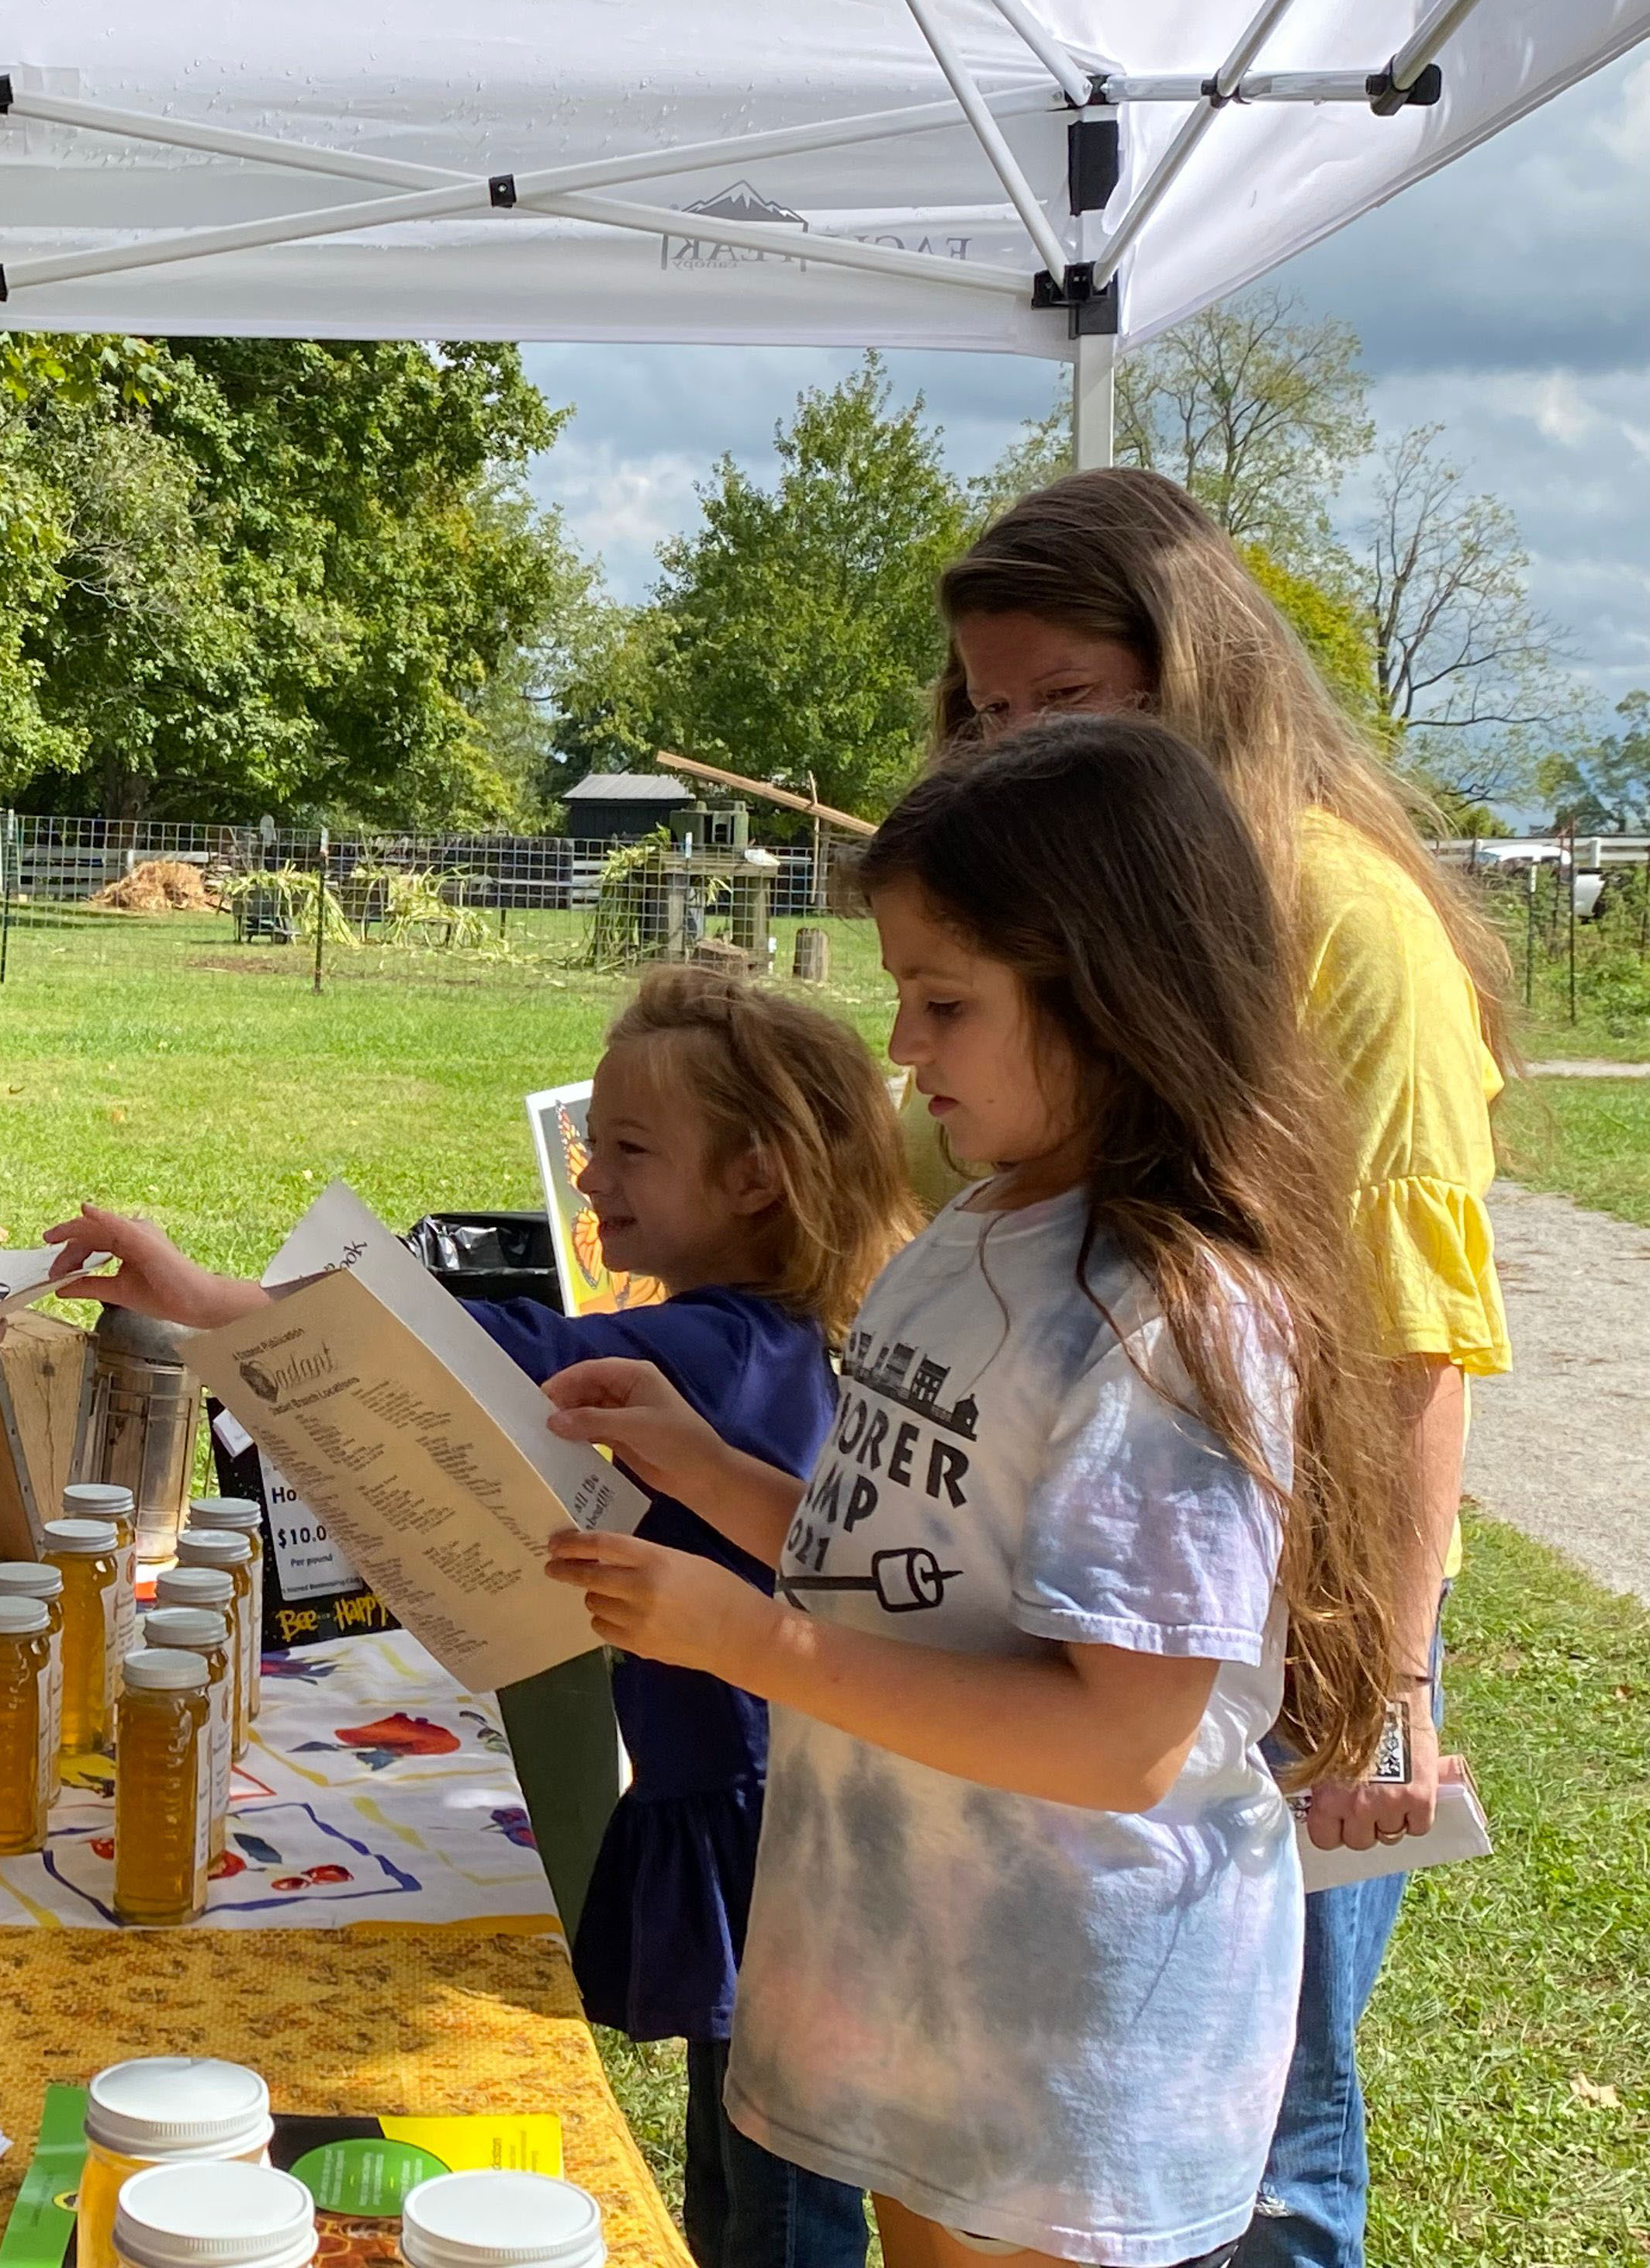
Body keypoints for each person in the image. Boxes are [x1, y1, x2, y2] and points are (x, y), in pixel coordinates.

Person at [544, 717, 1417, 2268]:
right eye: (902, 997)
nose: (902, 1048)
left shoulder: (1171, 1323)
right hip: (929, 1987)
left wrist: (748, 1646)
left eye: (945, 1004)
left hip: (1074, 2046)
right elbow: (899, 1564)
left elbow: (1124, 1738)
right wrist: (709, 1469)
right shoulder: (972, 1236)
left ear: (1116, 995)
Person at [45, 966, 913, 2268]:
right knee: (755, 2161)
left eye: (629, 1149)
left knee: (782, 2192)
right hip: (769, 1792)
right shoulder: (754, 1333)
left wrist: (192, 1293)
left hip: (762, 1817)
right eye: (590, 1140)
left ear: (754, 1179)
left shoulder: (705, 1353)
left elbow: (458, 1348)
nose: (591, 1173)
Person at [921, 468, 1510, 2268]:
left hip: (1288, 1634)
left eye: (1067, 706)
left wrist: (1384, 1679)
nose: (1014, 748)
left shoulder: (1347, 918)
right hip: (1098, 1602)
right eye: (988, 713)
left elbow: (1418, 1337)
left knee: (1260, 2146)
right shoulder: (1091, 915)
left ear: (1200, 676)